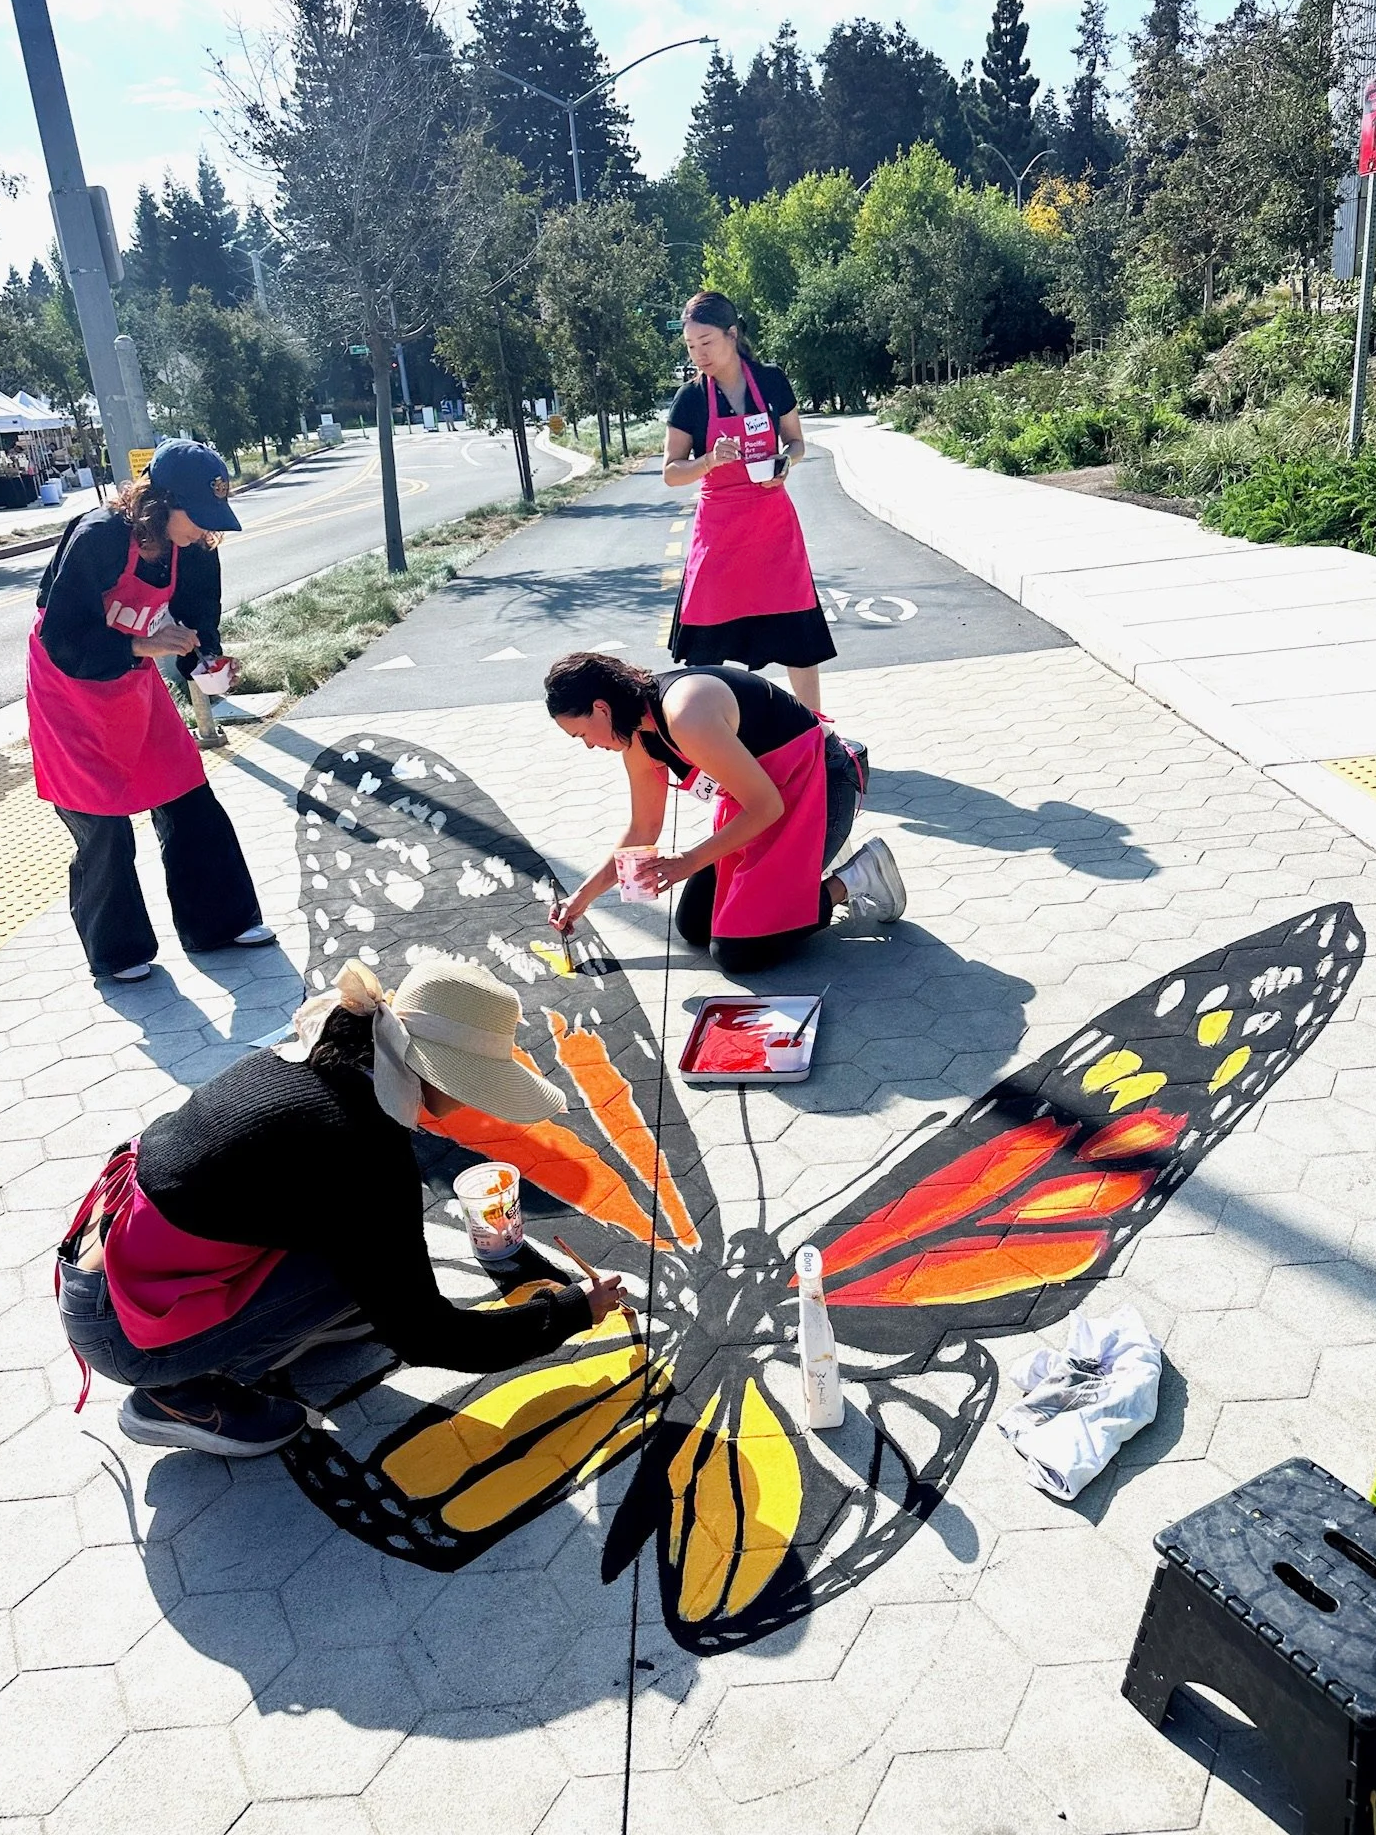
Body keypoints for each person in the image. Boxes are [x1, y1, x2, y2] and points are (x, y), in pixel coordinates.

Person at [55, 955, 629, 1458]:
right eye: (478, 1084)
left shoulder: (313, 1055)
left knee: (374, 1260)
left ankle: (300, 1319)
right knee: (381, 1267)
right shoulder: (362, 1148)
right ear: (440, 1073)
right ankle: (174, 1395)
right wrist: (572, 1310)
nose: (479, 1102)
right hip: (125, 1332)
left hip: (105, 1258)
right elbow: (429, 1336)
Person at [26, 438, 274, 982]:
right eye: (198, 516)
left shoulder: (197, 548)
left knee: (186, 790)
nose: (205, 530)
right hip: (69, 687)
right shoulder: (99, 536)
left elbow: (197, 619)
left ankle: (220, 923)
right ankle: (118, 952)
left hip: (133, 680)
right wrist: (141, 645)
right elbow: (61, 637)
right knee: (102, 820)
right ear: (160, 504)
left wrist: (206, 663)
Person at [544, 652, 905, 975]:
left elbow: (767, 807)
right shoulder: (637, 731)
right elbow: (643, 828)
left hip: (820, 785)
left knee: (738, 952)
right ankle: (812, 863)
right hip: (762, 804)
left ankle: (858, 876)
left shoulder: (684, 714)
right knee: (696, 927)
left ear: (602, 709)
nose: (589, 745)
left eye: (581, 734)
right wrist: (580, 900)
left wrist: (689, 861)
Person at [664, 291, 835, 713]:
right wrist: (707, 461)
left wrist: (786, 462)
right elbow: (671, 472)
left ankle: (815, 731)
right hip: (719, 534)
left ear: (732, 334)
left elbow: (796, 442)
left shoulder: (771, 380)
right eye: (691, 346)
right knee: (705, 648)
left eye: (706, 342)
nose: (699, 355)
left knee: (798, 637)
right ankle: (708, 732)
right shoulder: (690, 398)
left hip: (773, 526)